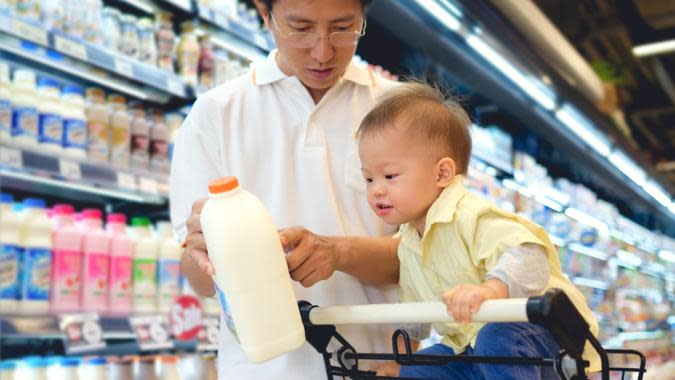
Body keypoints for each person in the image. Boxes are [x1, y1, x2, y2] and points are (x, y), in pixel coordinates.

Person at [170, 0, 402, 378]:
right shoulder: (216, 114)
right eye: (301, 28)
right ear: (265, 12)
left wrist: (339, 252)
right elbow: (198, 280)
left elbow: (438, 254)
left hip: (379, 364)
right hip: (263, 368)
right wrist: (204, 250)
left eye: (343, 28)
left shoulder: (400, 109)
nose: (323, 51)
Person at [356, 82, 601, 379]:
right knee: (422, 368)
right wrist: (401, 363)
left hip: (550, 342)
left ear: (442, 173)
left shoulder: (470, 215)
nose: (376, 190)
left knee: (496, 338)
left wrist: (489, 291)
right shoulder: (409, 243)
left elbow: (529, 256)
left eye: (390, 175)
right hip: (473, 349)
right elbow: (415, 315)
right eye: (368, 179)